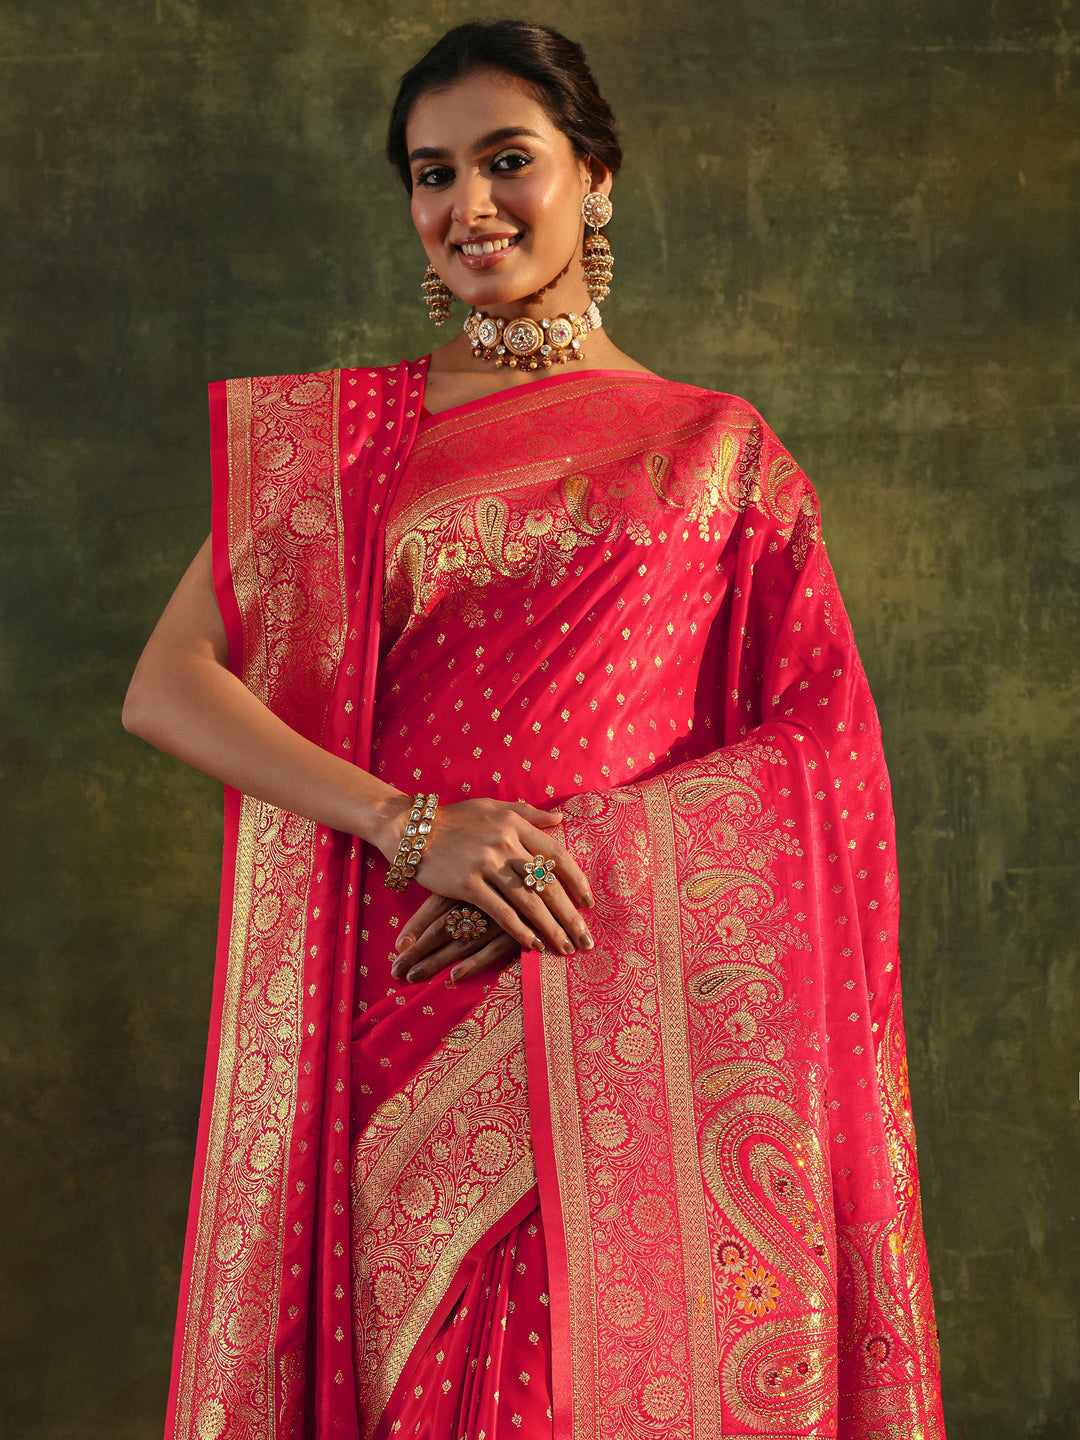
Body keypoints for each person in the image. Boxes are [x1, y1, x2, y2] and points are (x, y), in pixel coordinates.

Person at [124, 20, 945, 1440]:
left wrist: (584, 867)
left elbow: (821, 763)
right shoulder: (344, 447)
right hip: (403, 1003)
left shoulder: (716, 451)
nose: (469, 207)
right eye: (432, 175)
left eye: (510, 161)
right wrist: (416, 830)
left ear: (599, 177)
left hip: (610, 1005)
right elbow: (169, 684)